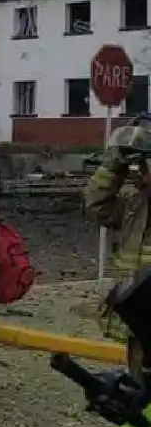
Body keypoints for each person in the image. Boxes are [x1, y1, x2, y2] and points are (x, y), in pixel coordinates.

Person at [86, 115, 151, 379]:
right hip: (138, 318)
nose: (142, 172)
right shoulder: (134, 204)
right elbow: (96, 207)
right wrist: (113, 168)